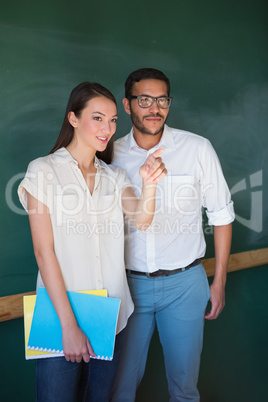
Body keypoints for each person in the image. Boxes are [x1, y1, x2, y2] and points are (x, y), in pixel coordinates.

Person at [18, 81, 167, 402]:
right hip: (59, 317)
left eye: (113, 120)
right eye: (97, 118)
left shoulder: (115, 177)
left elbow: (142, 220)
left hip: (111, 315)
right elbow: (43, 253)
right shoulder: (43, 171)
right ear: (73, 118)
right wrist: (69, 327)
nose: (108, 128)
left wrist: (150, 182)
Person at [110, 68, 235, 402]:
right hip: (127, 286)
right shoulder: (108, 155)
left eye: (162, 99)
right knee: (118, 388)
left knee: (184, 387)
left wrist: (219, 281)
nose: (155, 108)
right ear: (127, 105)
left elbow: (221, 215)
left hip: (185, 284)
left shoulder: (197, 149)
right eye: (145, 99)